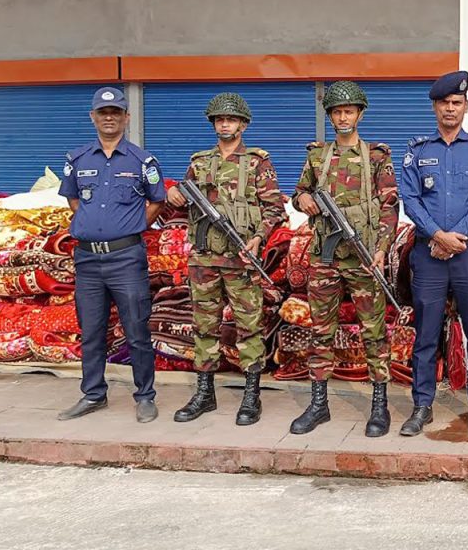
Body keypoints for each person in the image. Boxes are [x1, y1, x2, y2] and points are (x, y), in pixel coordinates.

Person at [166, 92, 286, 426]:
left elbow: (274, 208)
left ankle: (251, 394)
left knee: (249, 327)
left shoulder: (257, 162)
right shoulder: (199, 162)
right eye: (220, 119)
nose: (225, 124)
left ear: (243, 124)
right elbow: (181, 198)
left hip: (241, 258)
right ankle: (204, 392)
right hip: (204, 258)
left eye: (231, 119)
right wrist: (173, 193)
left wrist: (257, 239)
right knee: (204, 326)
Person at [288, 81, 399, 437]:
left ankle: (379, 405)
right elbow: (299, 191)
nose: (343, 117)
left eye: (349, 111)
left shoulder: (377, 156)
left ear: (360, 114)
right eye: (337, 112)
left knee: (374, 332)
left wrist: (381, 249)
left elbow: (389, 206)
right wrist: (301, 200)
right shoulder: (318, 156)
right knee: (321, 330)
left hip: (364, 257)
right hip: (325, 256)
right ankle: (319, 403)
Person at [397, 71, 468, 438]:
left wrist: (457, 237)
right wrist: (438, 236)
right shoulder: (417, 149)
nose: (450, 109)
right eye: (444, 103)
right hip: (428, 253)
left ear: (466, 106)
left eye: (457, 103)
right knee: (425, 334)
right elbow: (409, 199)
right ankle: (422, 405)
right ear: (435, 107)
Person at [57, 86, 166, 423]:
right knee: (91, 331)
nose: (109, 118)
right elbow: (74, 200)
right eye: (103, 113)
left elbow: (157, 201)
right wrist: (93, 225)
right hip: (87, 260)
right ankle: (93, 395)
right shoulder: (77, 160)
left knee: (136, 330)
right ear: (93, 117)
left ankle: (145, 396)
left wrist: (129, 226)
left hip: (126, 258)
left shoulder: (142, 161)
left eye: (116, 113)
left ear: (126, 118)